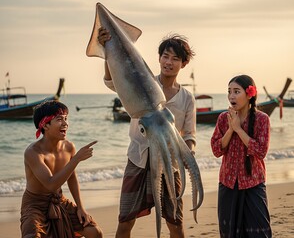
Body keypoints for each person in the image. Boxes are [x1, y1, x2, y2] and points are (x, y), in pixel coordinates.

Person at [98, 27, 196, 238]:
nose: (168, 62)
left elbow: (189, 134)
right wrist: (107, 50)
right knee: (125, 221)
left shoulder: (187, 98)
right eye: (165, 56)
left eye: (175, 58)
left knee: (175, 223)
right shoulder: (145, 82)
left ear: (183, 63)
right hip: (138, 159)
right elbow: (112, 82)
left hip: (170, 163)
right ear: (159, 58)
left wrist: (189, 152)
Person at [20, 100, 103, 238]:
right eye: (59, 119)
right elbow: (51, 184)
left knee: (95, 232)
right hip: (34, 205)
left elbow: (72, 178)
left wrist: (81, 207)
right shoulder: (33, 152)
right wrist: (76, 159)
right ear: (45, 125)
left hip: (59, 200)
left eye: (66, 119)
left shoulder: (69, 147)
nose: (65, 123)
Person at [211, 75, 272, 237]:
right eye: (229, 91)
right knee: (229, 233)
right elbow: (216, 150)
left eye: (236, 91)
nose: (231, 96)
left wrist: (238, 129)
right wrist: (231, 129)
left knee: (260, 232)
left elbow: (261, 151)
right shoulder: (224, 119)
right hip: (228, 182)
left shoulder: (262, 119)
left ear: (249, 94)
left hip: (253, 182)